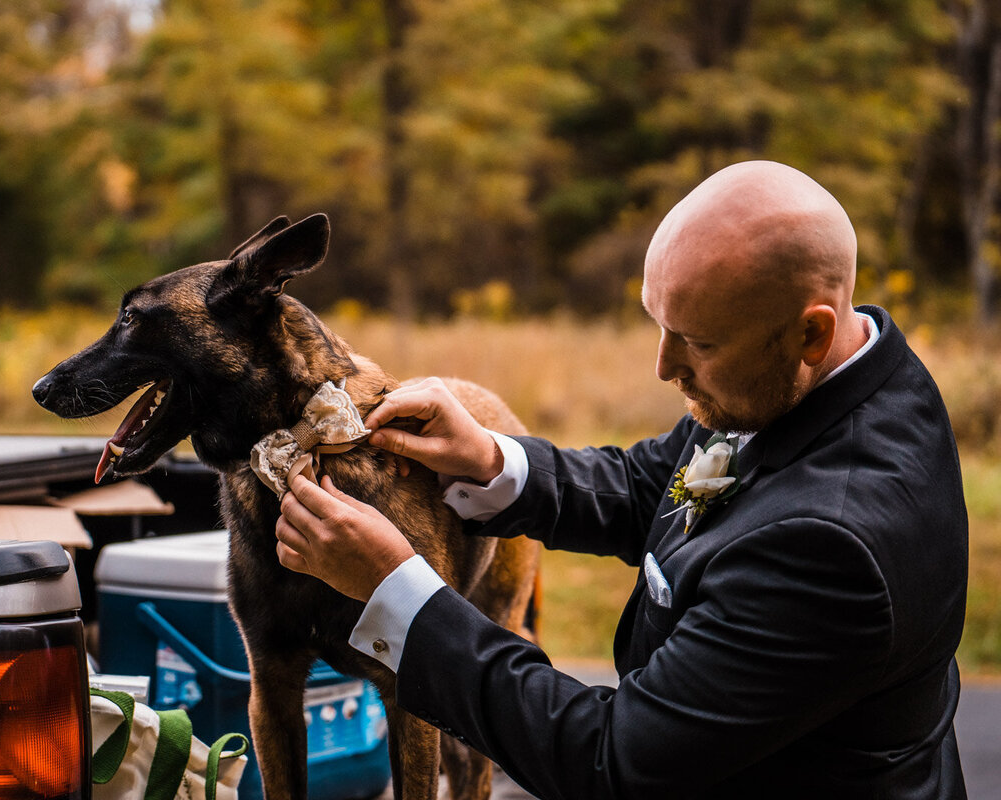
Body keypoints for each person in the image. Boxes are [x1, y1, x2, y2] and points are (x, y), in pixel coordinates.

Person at [273, 160, 969, 799]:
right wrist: (493, 459)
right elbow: (653, 485)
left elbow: (611, 763)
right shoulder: (815, 374)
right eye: (659, 327)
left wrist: (400, 592)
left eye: (697, 343)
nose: (664, 368)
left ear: (811, 335)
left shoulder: (834, 546)